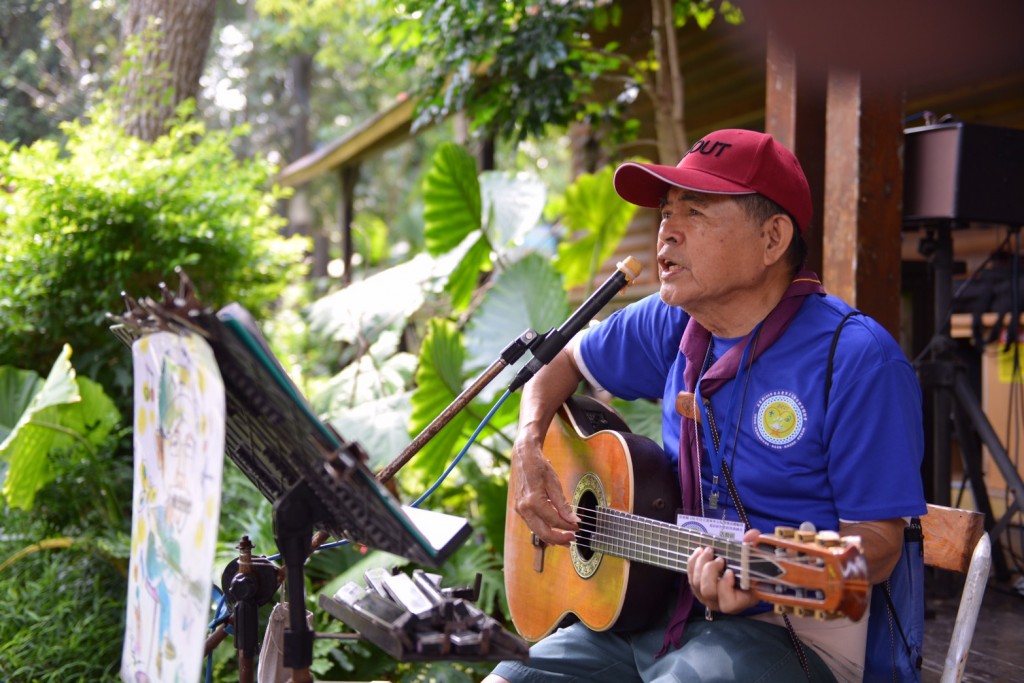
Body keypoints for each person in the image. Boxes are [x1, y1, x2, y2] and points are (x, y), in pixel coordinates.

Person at [485, 128, 927, 683]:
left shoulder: (858, 359)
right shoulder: (674, 320)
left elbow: (879, 551)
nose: (666, 231)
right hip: (656, 611)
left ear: (772, 239)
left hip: (796, 634)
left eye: (694, 211)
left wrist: (767, 578)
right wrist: (528, 446)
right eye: (667, 211)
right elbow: (560, 359)